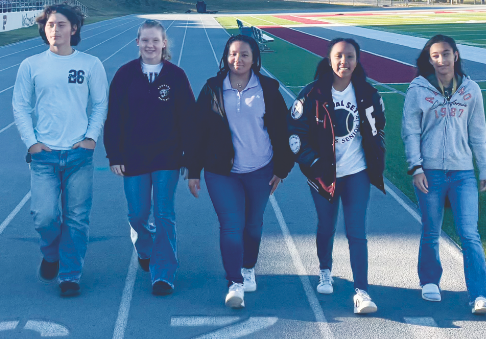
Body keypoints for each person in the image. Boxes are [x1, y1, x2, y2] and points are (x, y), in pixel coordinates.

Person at [186, 34, 294, 309]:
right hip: (221, 171)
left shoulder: (268, 88)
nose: (238, 59)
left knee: (253, 226)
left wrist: (281, 168)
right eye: (233, 54)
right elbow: (197, 131)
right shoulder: (212, 88)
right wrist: (193, 171)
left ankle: (248, 267)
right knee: (231, 226)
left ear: (254, 58)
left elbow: (283, 131)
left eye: (244, 54)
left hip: (260, 168)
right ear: (225, 57)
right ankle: (234, 282)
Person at [13, 4, 109, 297]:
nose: (55, 29)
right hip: (44, 155)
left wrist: (91, 137)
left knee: (77, 218)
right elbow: (20, 106)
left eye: (62, 24)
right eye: (50, 24)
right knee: (44, 217)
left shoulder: (91, 64)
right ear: (44, 29)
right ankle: (51, 254)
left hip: (78, 154)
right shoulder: (31, 65)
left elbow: (100, 104)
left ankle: (70, 275)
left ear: (74, 29)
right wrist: (32, 143)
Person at [287, 38, 386, 315]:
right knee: (326, 226)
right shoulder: (311, 94)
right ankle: (325, 270)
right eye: (339, 56)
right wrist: (315, 163)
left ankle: (362, 291)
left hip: (357, 173)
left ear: (358, 60)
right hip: (323, 174)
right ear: (329, 59)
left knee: (357, 232)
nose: (345, 62)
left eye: (350, 56)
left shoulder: (368, 93)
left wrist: (376, 159)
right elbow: (295, 134)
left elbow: (379, 128)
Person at [402, 34, 486, 315]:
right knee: (431, 230)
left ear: (456, 55)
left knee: (470, 234)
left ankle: (480, 294)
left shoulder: (471, 90)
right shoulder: (418, 89)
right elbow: (410, 132)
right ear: (429, 60)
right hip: (429, 171)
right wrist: (415, 167)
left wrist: (485, 167)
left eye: (446, 54)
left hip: (463, 172)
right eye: (435, 56)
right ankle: (430, 280)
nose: (441, 60)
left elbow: (478, 132)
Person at [104, 20, 194, 296]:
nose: (150, 45)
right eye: (145, 40)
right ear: (137, 43)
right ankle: (145, 246)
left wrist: (190, 158)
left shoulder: (176, 76)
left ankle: (163, 273)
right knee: (138, 213)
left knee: (164, 213)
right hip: (133, 157)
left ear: (164, 43)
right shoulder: (124, 75)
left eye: (155, 40)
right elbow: (114, 118)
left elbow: (188, 119)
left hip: (167, 157)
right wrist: (114, 154)